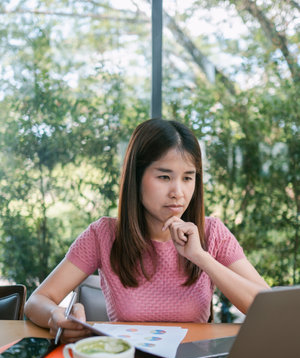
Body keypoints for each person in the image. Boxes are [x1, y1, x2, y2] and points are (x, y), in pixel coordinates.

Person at [24, 118, 269, 343]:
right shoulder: (103, 235)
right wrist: (55, 317)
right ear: (136, 177)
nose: (178, 192)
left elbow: (268, 307)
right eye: (164, 177)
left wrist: (201, 257)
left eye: (187, 178)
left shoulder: (213, 232)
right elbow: (37, 301)